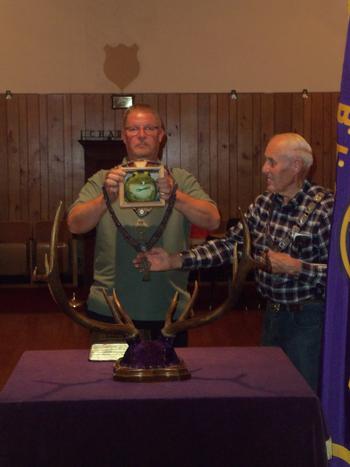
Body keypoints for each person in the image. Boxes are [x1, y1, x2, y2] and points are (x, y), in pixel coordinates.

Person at [134, 133, 334, 392]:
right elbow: (231, 246)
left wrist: (298, 268)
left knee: (305, 395)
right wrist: (175, 260)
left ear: (296, 166)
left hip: (310, 321)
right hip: (272, 316)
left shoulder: (327, 208)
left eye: (271, 162)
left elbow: (342, 274)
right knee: (273, 389)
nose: (265, 169)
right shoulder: (264, 204)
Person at [67, 104, 220, 345]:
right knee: (107, 382)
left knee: (169, 383)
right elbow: (75, 224)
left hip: (168, 309)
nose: (141, 134)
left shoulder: (180, 179)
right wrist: (105, 198)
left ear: (161, 136)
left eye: (149, 128)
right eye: (133, 128)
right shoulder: (103, 179)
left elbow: (212, 219)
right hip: (110, 309)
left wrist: (175, 195)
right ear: (123, 136)